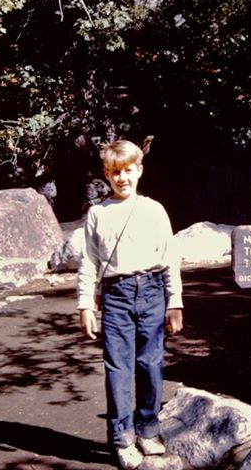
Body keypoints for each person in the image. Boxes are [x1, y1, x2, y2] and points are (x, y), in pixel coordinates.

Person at [77, 139, 184, 470]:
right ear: (106, 175)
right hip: (116, 296)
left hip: (152, 292)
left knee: (151, 365)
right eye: (114, 173)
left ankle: (148, 430)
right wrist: (85, 304)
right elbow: (89, 263)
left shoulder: (154, 210)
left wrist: (174, 302)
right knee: (118, 368)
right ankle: (122, 437)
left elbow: (170, 259)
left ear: (139, 170)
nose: (122, 178)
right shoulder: (98, 213)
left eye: (127, 171)